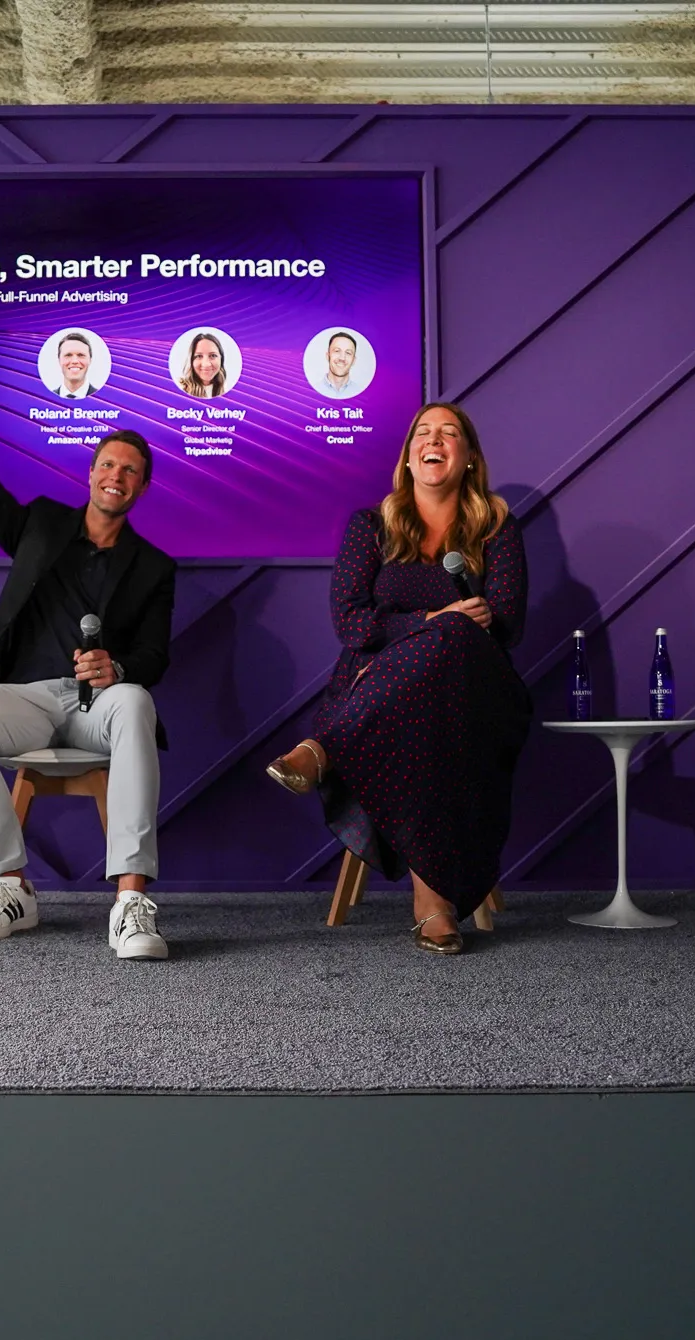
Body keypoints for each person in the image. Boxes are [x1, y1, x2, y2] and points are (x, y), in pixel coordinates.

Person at [0, 310, 178, 960]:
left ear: (141, 487)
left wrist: (117, 669)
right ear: (90, 472)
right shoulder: (40, 525)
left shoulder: (154, 566)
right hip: (29, 699)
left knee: (137, 702)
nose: (114, 476)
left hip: (100, 706)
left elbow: (157, 655)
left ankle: (130, 902)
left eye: (128, 470)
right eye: (106, 464)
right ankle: (10, 884)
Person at [266, 403, 530, 954]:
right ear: (409, 457)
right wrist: (433, 621)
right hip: (383, 693)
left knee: (457, 644)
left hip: (477, 696)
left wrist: (449, 630)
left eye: (450, 433)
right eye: (423, 433)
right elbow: (350, 621)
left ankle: (325, 748)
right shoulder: (372, 527)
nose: (434, 440)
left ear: (470, 459)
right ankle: (432, 902)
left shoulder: (497, 529)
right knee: (428, 702)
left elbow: (505, 623)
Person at [177, 332, 228, 399]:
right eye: (199, 356)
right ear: (191, 360)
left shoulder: (229, 390)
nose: (206, 364)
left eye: (213, 355)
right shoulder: (179, 390)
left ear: (221, 359)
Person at [53, 332, 100, 400]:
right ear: (59, 360)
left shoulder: (106, 399)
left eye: (81, 355)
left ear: (90, 360)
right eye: (68, 355)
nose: (74, 361)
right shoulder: (44, 400)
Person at [320, 331, 360, 397]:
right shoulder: (312, 391)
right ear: (328, 356)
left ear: (353, 360)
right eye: (337, 351)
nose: (342, 358)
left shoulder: (362, 393)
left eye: (348, 353)